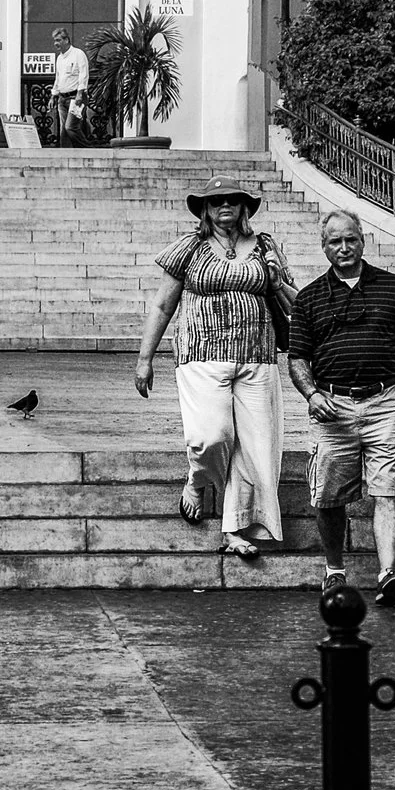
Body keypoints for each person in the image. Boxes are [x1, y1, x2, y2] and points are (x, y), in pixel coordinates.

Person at [288, 210, 395, 606]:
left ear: (363, 240)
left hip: (387, 402)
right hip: (333, 406)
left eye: (350, 239)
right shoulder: (309, 298)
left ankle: (388, 574)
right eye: (335, 242)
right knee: (328, 495)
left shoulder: (394, 287)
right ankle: (334, 572)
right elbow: (297, 358)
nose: (344, 248)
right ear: (324, 247)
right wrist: (313, 395)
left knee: (388, 488)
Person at [134, 179, 298, 561]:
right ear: (205, 210)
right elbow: (161, 307)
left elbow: (296, 302)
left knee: (254, 448)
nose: (225, 205)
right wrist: (145, 359)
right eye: (216, 201)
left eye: (233, 200)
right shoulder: (189, 248)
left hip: (257, 356)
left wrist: (276, 281)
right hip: (201, 354)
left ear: (245, 208)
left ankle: (234, 531)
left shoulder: (266, 248)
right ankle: (197, 478)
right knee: (212, 435)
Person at [49, 29, 90, 146]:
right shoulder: (60, 58)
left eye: (58, 40)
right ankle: (66, 155)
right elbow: (58, 78)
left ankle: (88, 149)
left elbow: (84, 74)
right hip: (62, 98)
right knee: (64, 131)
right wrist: (53, 96)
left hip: (76, 98)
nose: (55, 43)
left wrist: (80, 94)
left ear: (66, 40)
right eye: (54, 41)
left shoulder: (78, 54)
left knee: (71, 127)